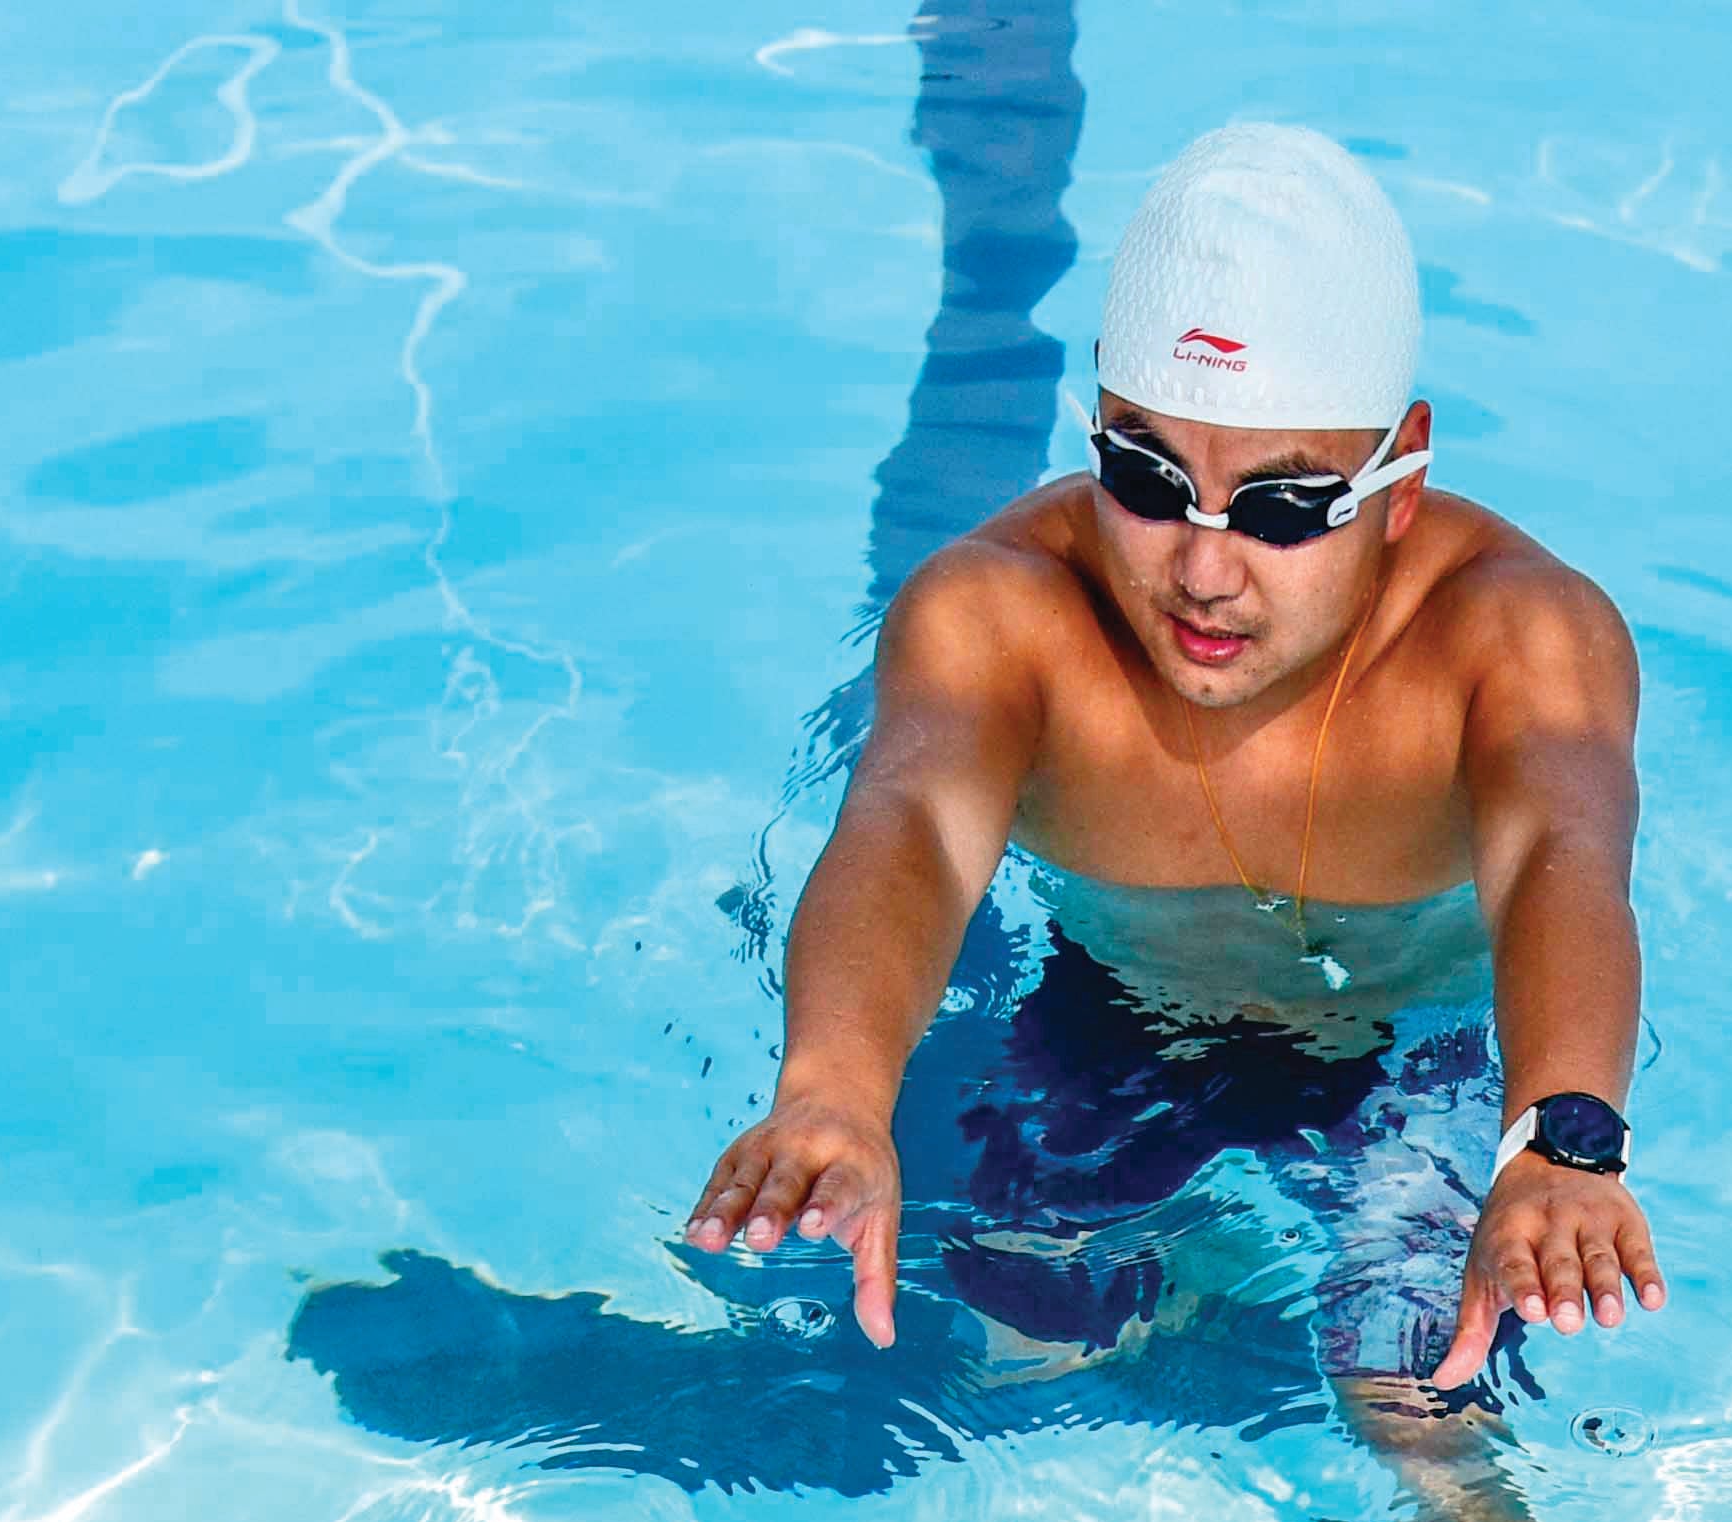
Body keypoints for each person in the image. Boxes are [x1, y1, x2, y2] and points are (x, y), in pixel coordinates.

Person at [684, 120, 1663, 1444]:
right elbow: (908, 819)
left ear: (1403, 476)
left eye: (1279, 508)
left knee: (1426, 1439)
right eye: (1146, 480)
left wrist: (1559, 1143)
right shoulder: (1004, 614)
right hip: (1108, 1023)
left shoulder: (1513, 637)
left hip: (1417, 1061)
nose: (1203, 572)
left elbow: (1565, 856)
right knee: (1005, 1365)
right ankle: (1187, 1315)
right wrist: (833, 1089)